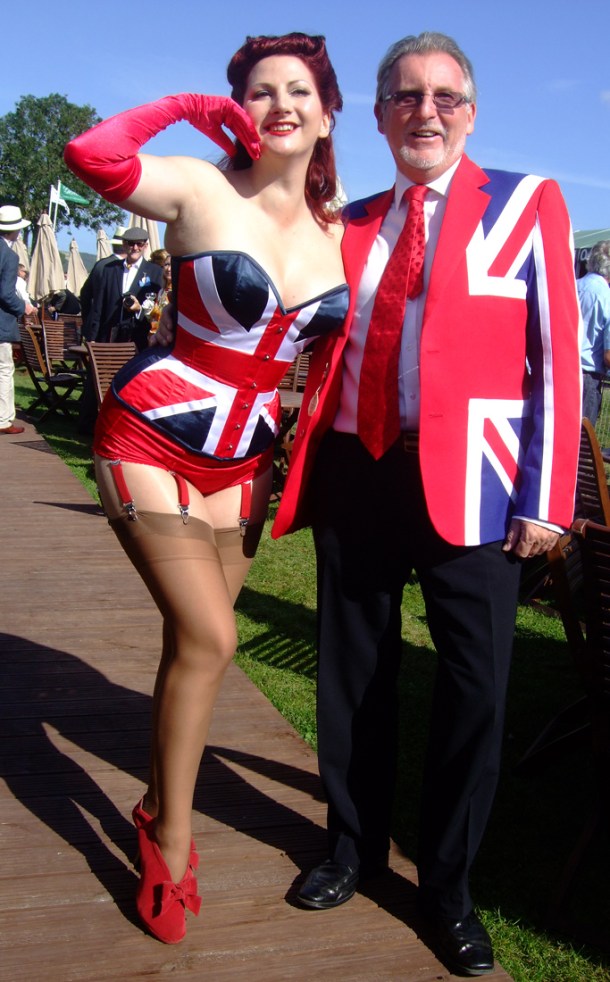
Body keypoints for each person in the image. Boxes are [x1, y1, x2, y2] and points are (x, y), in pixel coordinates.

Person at [271, 32, 582, 977]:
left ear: (471, 112)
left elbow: (557, 361)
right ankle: (351, 849)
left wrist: (550, 498)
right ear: (377, 116)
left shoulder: (529, 203)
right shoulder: (349, 221)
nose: (426, 112)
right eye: (406, 97)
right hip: (357, 471)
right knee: (351, 681)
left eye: (445, 97)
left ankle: (447, 887)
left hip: (482, 487)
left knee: (476, 694)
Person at [64, 32, 347, 945]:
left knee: (193, 649)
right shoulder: (195, 185)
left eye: (298, 90)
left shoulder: (341, 232)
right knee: (213, 635)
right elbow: (90, 157)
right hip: (149, 431)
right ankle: (172, 845)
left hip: (243, 464)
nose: (279, 105)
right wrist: (190, 107)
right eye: (258, 91)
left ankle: (154, 806)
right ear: (239, 108)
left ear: (327, 112)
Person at [80, 226, 163, 349]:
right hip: (109, 335)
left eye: (139, 244)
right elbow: (99, 306)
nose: (135, 248)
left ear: (145, 245)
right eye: (131, 244)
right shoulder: (109, 269)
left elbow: (158, 310)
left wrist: (139, 309)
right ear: (124, 244)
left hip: (139, 338)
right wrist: (92, 337)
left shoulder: (155, 272)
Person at [0, 205, 36, 434]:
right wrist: (23, 307)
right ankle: (3, 419)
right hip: (0, 324)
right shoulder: (9, 256)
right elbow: (5, 293)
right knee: (4, 369)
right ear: (15, 231)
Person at [577, 239, 610, 425]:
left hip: (560, 372)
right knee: (582, 445)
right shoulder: (606, 298)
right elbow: (608, 356)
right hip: (588, 379)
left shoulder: (570, 286)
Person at [143, 248, 172, 334]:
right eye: (166, 265)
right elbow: (155, 318)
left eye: (171, 265)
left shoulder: (179, 290)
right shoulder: (161, 291)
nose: (168, 269)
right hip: (157, 335)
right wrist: (150, 311)